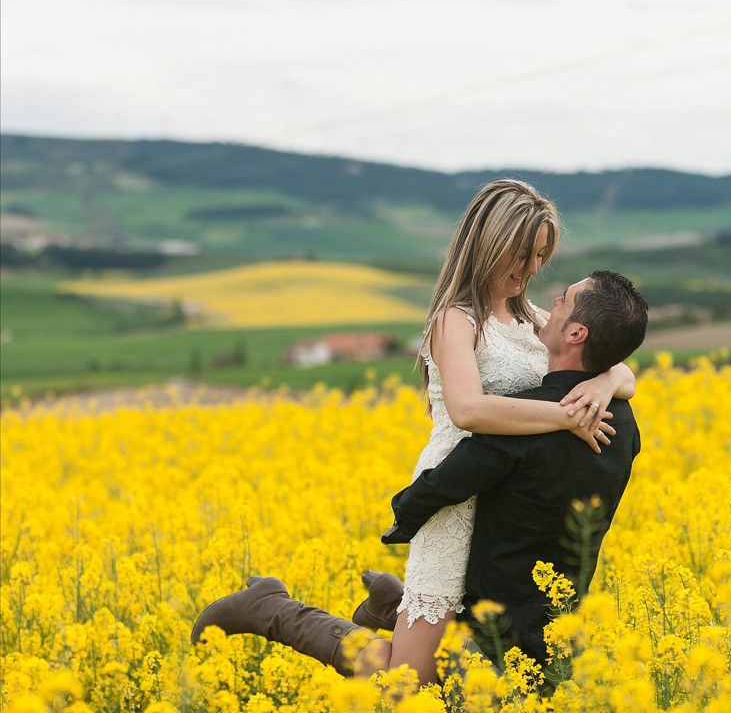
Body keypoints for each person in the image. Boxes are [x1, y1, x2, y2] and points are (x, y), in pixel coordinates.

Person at [191, 181, 635, 681]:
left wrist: (607, 379)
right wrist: (566, 415)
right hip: (453, 500)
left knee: (468, 668)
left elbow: (613, 366)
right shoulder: (456, 321)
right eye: (522, 254)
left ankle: (393, 607)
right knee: (409, 684)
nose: (531, 269)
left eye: (540, 256)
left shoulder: (536, 320)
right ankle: (270, 608)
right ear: (488, 243)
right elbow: (468, 410)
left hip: (506, 506)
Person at [381, 270, 648, 670]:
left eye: (564, 299)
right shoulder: (624, 423)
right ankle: (385, 607)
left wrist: (404, 513)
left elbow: (453, 477)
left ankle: (294, 616)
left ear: (576, 333)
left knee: (412, 686)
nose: (551, 301)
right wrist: (606, 381)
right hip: (556, 615)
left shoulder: (520, 421)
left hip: (497, 608)